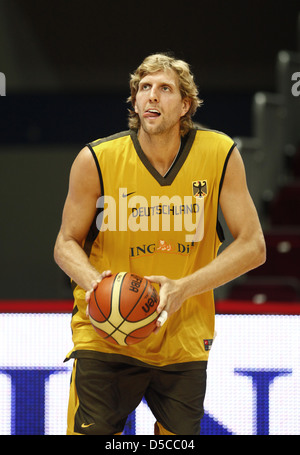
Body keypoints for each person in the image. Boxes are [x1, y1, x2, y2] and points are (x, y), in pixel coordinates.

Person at [54, 53, 266, 435]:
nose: (152, 96)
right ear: (135, 102)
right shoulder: (95, 159)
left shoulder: (219, 154)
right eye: (144, 88)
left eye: (164, 88)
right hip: (106, 335)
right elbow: (65, 243)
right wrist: (97, 285)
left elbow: (253, 246)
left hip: (182, 333)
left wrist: (184, 288)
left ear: (185, 104)